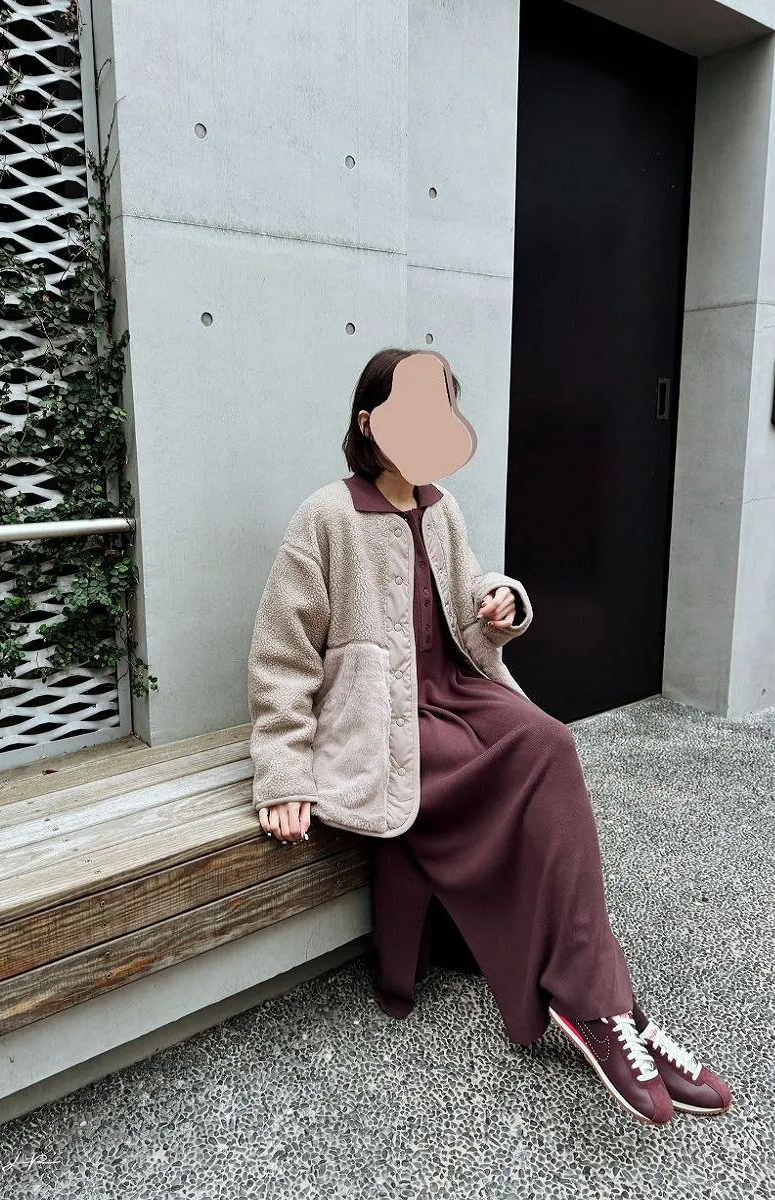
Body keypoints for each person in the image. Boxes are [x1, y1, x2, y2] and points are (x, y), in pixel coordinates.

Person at [247, 347, 732, 1127]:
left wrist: (500, 602)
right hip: (382, 721)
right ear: (368, 423)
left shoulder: (443, 508)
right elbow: (282, 655)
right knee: (531, 771)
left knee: (549, 742)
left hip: (460, 693)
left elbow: (471, 610)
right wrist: (283, 772)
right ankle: (606, 1008)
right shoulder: (326, 516)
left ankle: (604, 1003)